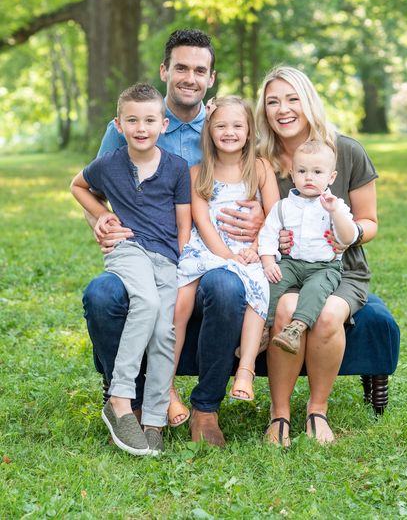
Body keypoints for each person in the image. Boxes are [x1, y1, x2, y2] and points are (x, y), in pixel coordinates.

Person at [82, 29, 264, 448]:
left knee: (225, 285)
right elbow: (92, 182)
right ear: (165, 70)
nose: (189, 77)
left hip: (204, 252)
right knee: (102, 295)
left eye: (199, 70)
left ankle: (205, 409)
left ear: (211, 78)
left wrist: (261, 215)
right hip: (141, 251)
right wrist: (100, 217)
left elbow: (256, 171)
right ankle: (135, 402)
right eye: (180, 67)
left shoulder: (221, 124)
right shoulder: (136, 120)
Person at [255, 66, 378, 447]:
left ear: (308, 102)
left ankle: (317, 410)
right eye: (273, 101)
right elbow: (260, 220)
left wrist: (348, 236)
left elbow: (370, 222)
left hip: (343, 270)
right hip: (290, 269)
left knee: (326, 315)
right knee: (288, 310)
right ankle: (279, 415)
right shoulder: (262, 161)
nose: (283, 109)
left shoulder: (348, 151)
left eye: (292, 99)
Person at [71, 84, 191, 456]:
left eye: (150, 120)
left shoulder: (177, 167)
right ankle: (120, 399)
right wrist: (102, 214)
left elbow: (183, 222)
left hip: (166, 257)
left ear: (164, 124)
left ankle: (153, 419)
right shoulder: (109, 164)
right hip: (128, 248)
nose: (142, 127)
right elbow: (77, 185)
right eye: (132, 120)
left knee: (163, 333)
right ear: (118, 125)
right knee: (147, 304)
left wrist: (182, 260)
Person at [175, 96, 280, 406]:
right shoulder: (197, 173)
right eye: (220, 125)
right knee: (179, 303)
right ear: (209, 130)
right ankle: (165, 386)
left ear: (249, 130)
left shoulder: (259, 168)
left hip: (249, 249)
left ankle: (245, 370)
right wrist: (226, 255)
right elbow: (202, 222)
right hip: (208, 249)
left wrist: (254, 248)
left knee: (258, 285)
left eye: (237, 125)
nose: (229, 132)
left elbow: (274, 216)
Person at [259, 139, 358, 355]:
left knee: (316, 290)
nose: (309, 177)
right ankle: (262, 331)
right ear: (293, 175)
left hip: (324, 267)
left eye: (317, 172)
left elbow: (348, 236)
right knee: (271, 284)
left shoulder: (335, 205)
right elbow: (267, 235)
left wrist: (335, 213)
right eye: (302, 171)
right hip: (291, 263)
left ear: (331, 177)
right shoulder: (283, 206)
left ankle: (295, 330)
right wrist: (268, 262)